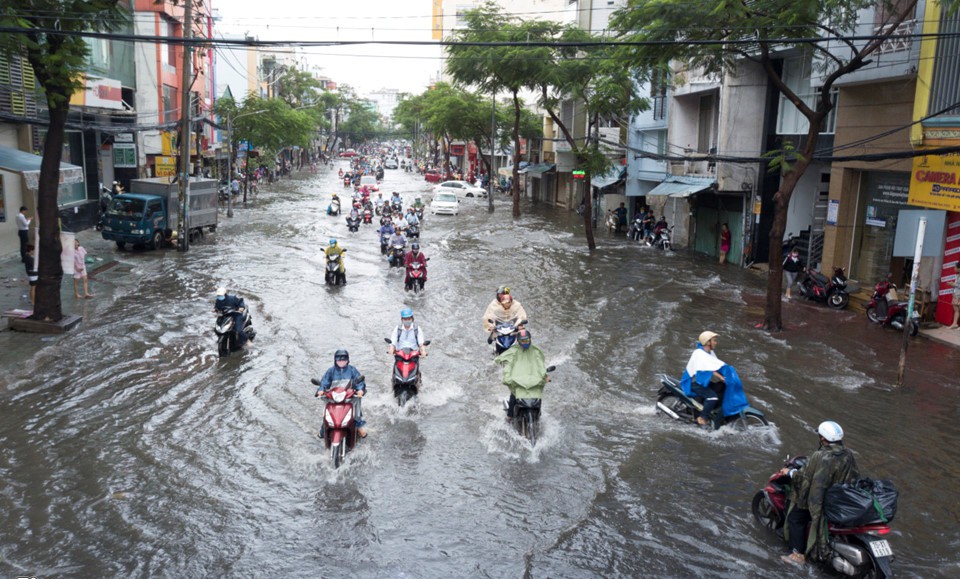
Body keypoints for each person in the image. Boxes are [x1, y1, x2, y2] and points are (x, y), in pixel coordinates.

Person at [780, 421, 860, 567]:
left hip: (821, 501)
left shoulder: (820, 456)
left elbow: (806, 479)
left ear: (823, 438)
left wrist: (790, 472)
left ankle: (797, 555)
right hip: (839, 500)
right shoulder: (847, 453)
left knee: (795, 518)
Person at [494, 328, 548, 419]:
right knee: (513, 394)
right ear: (518, 342)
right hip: (518, 380)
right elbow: (506, 364)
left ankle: (538, 414)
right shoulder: (513, 352)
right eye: (522, 341)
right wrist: (507, 377)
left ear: (530, 340)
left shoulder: (536, 351)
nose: (525, 343)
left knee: (538, 394)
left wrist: (545, 375)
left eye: (526, 340)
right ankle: (510, 416)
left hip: (532, 380)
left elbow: (540, 366)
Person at [315, 349, 367, 438]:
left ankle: (358, 426)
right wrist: (321, 390)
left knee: (357, 403)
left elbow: (359, 382)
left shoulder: (352, 370)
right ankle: (323, 429)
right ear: (335, 360)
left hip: (349, 396)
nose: (341, 361)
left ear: (347, 360)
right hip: (334, 397)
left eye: (344, 359)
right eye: (339, 359)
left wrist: (360, 390)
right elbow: (324, 382)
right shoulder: (331, 371)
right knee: (327, 411)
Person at [680, 331, 727, 427]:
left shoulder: (710, 352)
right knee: (713, 397)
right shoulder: (699, 353)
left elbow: (717, 365)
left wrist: (728, 374)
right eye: (714, 340)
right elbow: (709, 368)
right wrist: (721, 377)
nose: (716, 342)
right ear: (708, 342)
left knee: (721, 387)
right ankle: (702, 418)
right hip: (693, 383)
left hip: (702, 382)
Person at [949, 261, 960, 329]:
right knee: (956, 309)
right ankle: (954, 323)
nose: (954, 268)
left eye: (955, 267)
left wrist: (953, 284)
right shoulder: (958, 275)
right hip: (956, 294)